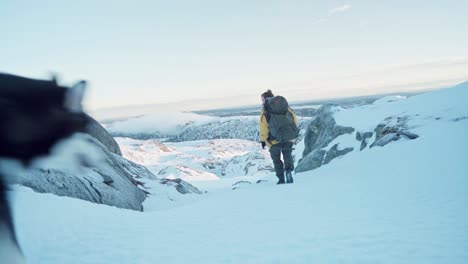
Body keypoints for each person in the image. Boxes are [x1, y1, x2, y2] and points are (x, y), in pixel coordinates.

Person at [259, 90, 299, 184]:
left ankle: (281, 179)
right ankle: (288, 171)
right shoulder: (285, 107)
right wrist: (292, 133)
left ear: (266, 99)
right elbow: (294, 120)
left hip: (274, 140)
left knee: (277, 160)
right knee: (287, 156)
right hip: (288, 137)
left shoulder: (265, 110)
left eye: (262, 99)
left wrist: (264, 140)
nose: (262, 102)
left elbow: (263, 127)